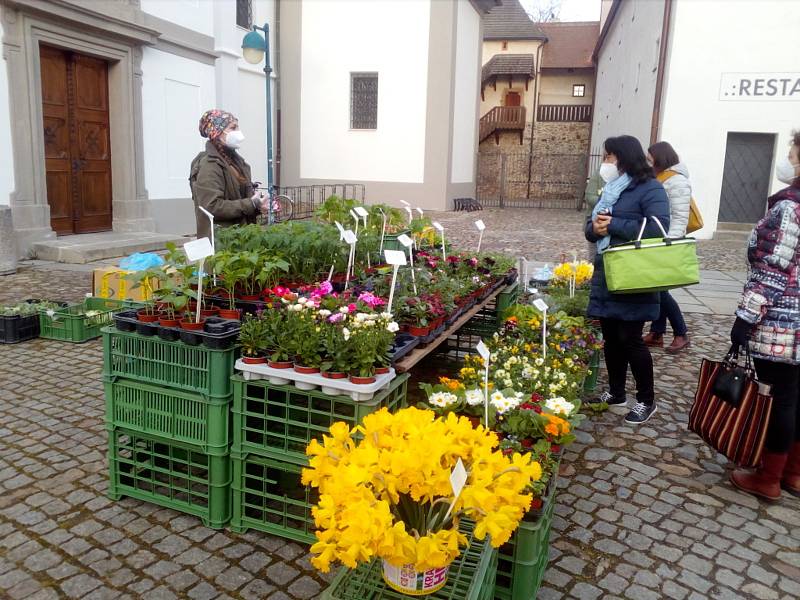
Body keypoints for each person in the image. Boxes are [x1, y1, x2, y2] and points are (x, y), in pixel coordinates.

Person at [729, 130, 800, 501]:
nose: (787, 156)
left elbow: (771, 270)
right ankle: (793, 472)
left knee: (782, 398)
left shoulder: (789, 208)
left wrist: (745, 318)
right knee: (797, 395)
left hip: (785, 322)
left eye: (791, 149)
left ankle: (769, 477)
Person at [585, 135, 670, 425]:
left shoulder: (651, 188)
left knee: (631, 339)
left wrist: (614, 225)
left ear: (623, 158)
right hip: (607, 272)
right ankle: (616, 392)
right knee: (610, 338)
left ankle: (647, 400)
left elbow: (659, 227)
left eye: (609, 157)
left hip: (634, 275)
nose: (606, 163)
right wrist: (595, 229)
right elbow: (590, 227)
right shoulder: (611, 189)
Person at [642, 141, 691, 353]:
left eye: (650, 158)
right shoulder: (660, 178)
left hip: (667, 241)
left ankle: (681, 333)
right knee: (657, 287)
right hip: (657, 239)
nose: (648, 162)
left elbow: (680, 216)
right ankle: (657, 332)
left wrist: (669, 242)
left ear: (660, 158)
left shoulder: (677, 181)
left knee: (660, 291)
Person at [190, 109, 267, 239]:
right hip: (223, 243)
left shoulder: (236, 162)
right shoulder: (209, 165)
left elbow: (240, 199)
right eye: (233, 128)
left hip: (241, 238)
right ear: (217, 132)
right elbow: (212, 206)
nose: (238, 132)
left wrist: (258, 205)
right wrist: (250, 204)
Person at [584, 169, 603, 261]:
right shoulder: (598, 174)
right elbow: (589, 196)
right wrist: (606, 202)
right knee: (594, 257)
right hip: (596, 223)